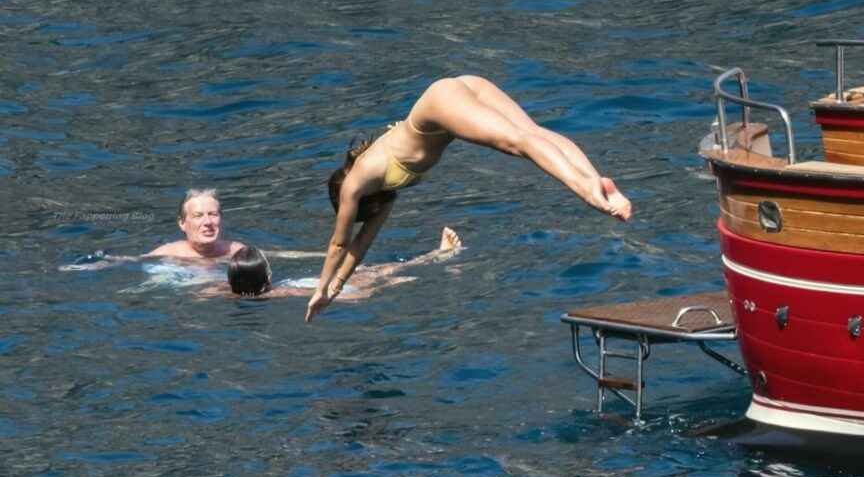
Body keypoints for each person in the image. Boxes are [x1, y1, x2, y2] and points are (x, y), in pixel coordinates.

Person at [305, 75, 632, 323]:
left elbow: (340, 244)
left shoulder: (356, 184)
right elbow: (360, 247)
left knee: (519, 143)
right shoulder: (383, 191)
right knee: (534, 134)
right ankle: (597, 183)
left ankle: (592, 197)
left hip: (441, 102)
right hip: (460, 88)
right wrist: (333, 290)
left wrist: (319, 287)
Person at [200, 227, 463, 299]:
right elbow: (307, 293)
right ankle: (439, 255)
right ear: (267, 277)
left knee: (369, 270)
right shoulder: (278, 291)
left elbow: (208, 291)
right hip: (332, 289)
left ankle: (434, 257)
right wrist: (370, 290)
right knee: (383, 271)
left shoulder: (230, 293)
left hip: (320, 285)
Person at [146, 188, 244, 259]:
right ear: (182, 223)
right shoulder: (166, 255)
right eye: (198, 216)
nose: (208, 222)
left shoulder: (238, 253)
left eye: (213, 214)